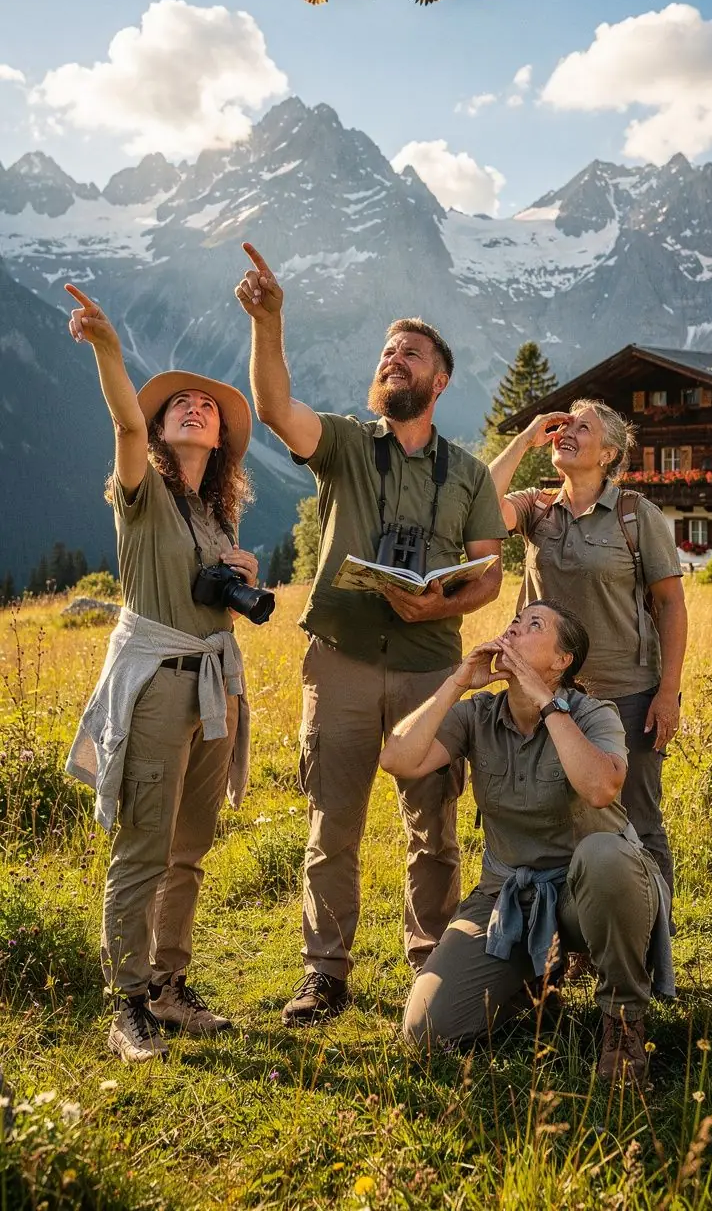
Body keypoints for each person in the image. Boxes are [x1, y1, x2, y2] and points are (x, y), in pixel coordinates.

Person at [235, 243, 507, 1026]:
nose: (393, 359)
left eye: (409, 352)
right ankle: (326, 972)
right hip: (342, 659)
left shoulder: (469, 473)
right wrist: (270, 323)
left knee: (436, 826)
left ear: (438, 379)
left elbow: (490, 573)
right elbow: (276, 408)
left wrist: (443, 608)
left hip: (431, 667)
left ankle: (432, 963)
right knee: (333, 825)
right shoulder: (350, 446)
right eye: (387, 351)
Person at [64, 284, 260, 1063]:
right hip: (157, 689)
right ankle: (126, 1005)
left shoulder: (217, 517)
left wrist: (243, 569)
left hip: (213, 689)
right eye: (178, 404)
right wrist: (110, 351)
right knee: (143, 845)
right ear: (159, 427)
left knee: (189, 846)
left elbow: (218, 603)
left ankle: (169, 987)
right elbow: (122, 419)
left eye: (206, 408)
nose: (193, 409)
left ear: (220, 440)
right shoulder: (141, 496)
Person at [381, 601, 673, 1084]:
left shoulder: (592, 712)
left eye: (533, 625)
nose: (515, 627)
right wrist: (457, 681)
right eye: (515, 621)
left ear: (562, 661)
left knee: (606, 855)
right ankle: (535, 977)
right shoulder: (478, 715)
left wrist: (547, 702)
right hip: (510, 897)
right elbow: (398, 758)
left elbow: (601, 788)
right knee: (425, 1030)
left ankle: (622, 1023)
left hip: (591, 894)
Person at [488, 400, 686, 898]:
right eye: (563, 426)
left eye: (583, 427)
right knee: (559, 819)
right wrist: (527, 436)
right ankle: (578, 934)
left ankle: (648, 939)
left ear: (608, 453)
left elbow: (671, 606)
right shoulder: (537, 508)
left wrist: (668, 693)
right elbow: (479, 506)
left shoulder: (635, 516)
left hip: (627, 694)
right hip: (545, 694)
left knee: (637, 819)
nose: (566, 432)